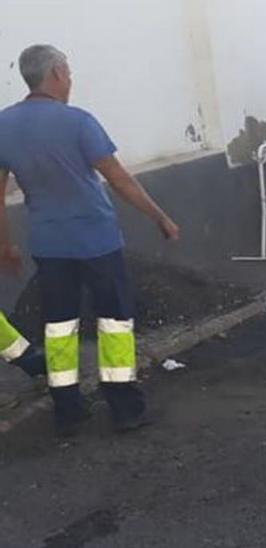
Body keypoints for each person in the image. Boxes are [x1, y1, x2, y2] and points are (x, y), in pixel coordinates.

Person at [0, 44, 180, 435]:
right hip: (96, 240)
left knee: (59, 327)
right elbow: (118, 179)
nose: (71, 80)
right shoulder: (79, 121)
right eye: (68, 71)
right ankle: (125, 408)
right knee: (114, 322)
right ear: (58, 74)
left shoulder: (3, 125)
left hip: (48, 245)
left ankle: (68, 411)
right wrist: (160, 216)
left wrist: (5, 245)